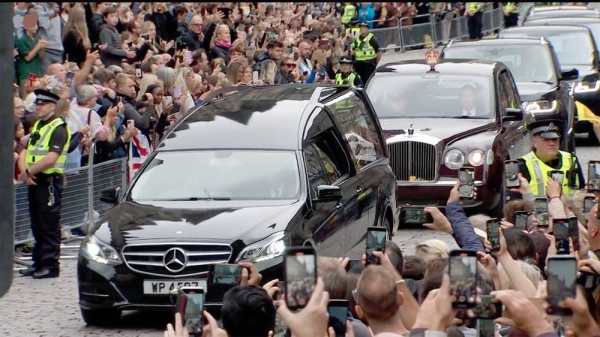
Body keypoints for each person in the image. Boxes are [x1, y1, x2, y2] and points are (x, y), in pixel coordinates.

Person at [18, 89, 70, 279]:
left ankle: (50, 265)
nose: (38, 107)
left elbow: (50, 158)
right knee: (37, 224)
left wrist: (27, 172)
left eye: (42, 105)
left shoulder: (59, 128)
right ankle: (38, 261)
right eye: (37, 104)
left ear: (52, 106)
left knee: (49, 225)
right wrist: (26, 173)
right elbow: (25, 148)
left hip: (48, 181)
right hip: (34, 180)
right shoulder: (39, 125)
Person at [517, 119, 585, 197]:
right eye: (546, 139)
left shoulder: (571, 159)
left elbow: (581, 189)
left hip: (569, 208)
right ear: (534, 142)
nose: (552, 143)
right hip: (537, 209)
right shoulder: (523, 165)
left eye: (555, 139)